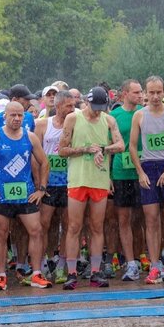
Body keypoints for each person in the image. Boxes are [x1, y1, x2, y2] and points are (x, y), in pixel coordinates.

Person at [0, 102, 52, 291]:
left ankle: (36, 274)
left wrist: (41, 189)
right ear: (5, 117)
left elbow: (44, 162)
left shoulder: (30, 137)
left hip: (26, 195)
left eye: (20, 115)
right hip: (1, 195)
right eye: (13, 115)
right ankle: (1, 275)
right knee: (1, 233)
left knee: (36, 230)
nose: (17, 119)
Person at [59, 87, 125, 290]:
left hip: (99, 179)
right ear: (87, 103)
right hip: (78, 179)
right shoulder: (73, 118)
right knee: (74, 227)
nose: (97, 111)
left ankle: (96, 271)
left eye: (101, 107)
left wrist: (103, 149)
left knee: (97, 226)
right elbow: (62, 150)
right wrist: (85, 149)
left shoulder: (108, 120)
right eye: (95, 107)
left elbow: (121, 145)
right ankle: (71, 273)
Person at [130, 76, 164, 285]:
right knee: (151, 219)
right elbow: (132, 146)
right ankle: (155, 266)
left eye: (158, 92)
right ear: (145, 93)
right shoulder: (139, 115)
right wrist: (140, 172)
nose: (155, 96)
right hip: (148, 167)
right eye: (151, 92)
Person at [34, 90, 77, 284]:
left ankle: (62, 265)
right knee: (44, 224)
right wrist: (39, 183)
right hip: (49, 183)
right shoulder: (43, 124)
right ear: (58, 106)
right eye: (68, 106)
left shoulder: (77, 124)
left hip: (69, 182)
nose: (72, 109)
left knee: (68, 225)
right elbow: (35, 156)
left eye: (73, 105)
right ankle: (43, 262)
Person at [109, 80, 145, 281]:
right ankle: (130, 262)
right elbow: (108, 146)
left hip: (143, 172)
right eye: (136, 92)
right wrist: (108, 177)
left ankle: (141, 257)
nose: (140, 95)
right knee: (123, 219)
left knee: (141, 218)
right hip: (121, 172)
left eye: (141, 92)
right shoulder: (114, 116)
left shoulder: (144, 112)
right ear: (124, 94)